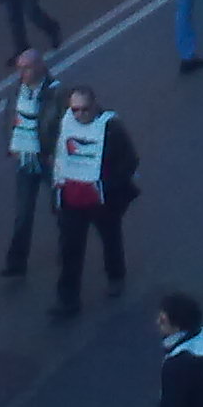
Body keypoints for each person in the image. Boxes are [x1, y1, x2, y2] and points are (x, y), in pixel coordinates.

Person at [49, 84, 141, 319]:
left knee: (110, 239)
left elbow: (130, 160)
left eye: (84, 109)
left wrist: (106, 185)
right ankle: (67, 298)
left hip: (102, 200)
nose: (80, 115)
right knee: (70, 248)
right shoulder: (64, 123)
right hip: (72, 200)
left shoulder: (111, 128)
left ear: (95, 105)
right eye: (75, 110)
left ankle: (115, 275)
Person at [0, 49, 65, 281]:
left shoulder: (56, 93)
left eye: (26, 68)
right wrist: (12, 145)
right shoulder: (18, 90)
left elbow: (63, 128)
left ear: (40, 66)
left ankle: (67, 252)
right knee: (23, 213)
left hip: (47, 160)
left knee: (60, 209)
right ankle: (16, 262)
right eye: (20, 68)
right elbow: (9, 118)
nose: (22, 73)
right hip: (26, 160)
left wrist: (56, 155)